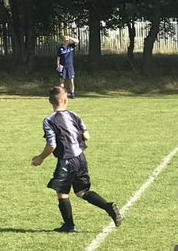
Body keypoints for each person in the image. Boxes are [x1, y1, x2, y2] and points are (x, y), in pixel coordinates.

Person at [31, 86, 121, 232]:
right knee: (82, 191)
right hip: (80, 157)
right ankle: (108, 206)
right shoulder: (74, 115)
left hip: (66, 160)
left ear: (50, 101)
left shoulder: (49, 120)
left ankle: (69, 225)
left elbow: (52, 144)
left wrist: (40, 158)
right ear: (66, 100)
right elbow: (87, 136)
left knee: (62, 193)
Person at [56, 35, 78, 99]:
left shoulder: (71, 46)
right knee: (62, 81)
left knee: (71, 80)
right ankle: (62, 94)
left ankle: (72, 93)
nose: (66, 42)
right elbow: (58, 58)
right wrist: (57, 65)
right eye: (65, 40)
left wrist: (70, 37)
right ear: (63, 41)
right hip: (62, 66)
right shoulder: (60, 49)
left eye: (67, 41)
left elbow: (77, 41)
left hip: (70, 66)